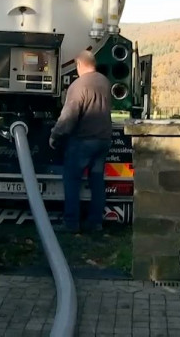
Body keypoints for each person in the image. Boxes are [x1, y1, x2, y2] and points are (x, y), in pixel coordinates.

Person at [50, 50, 112, 233]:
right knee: (97, 182)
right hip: (103, 139)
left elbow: (69, 116)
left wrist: (55, 135)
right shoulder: (105, 82)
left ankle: (71, 223)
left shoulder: (78, 86)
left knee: (72, 181)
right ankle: (95, 223)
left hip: (83, 140)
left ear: (79, 65)